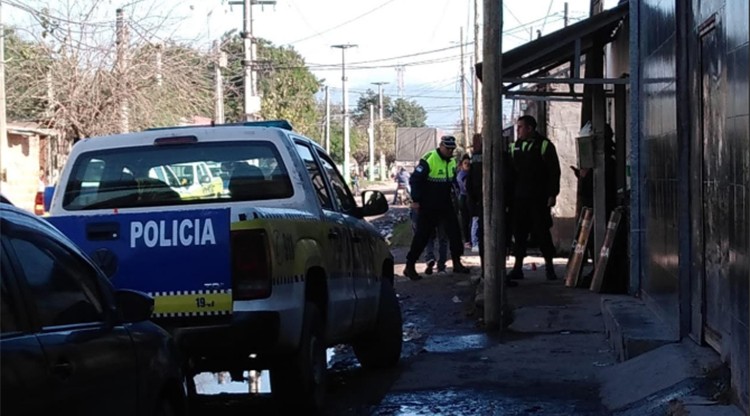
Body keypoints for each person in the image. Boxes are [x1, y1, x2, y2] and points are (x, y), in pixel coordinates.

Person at [403, 135, 470, 280]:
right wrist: (416, 200)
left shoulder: (452, 161)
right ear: (441, 146)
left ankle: (457, 262)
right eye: (447, 148)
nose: (450, 151)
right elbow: (415, 180)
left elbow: (453, 181)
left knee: (455, 234)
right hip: (429, 204)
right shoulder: (429, 159)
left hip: (445, 203)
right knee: (422, 236)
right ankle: (410, 265)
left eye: (452, 149)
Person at [508, 115, 561, 281]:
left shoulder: (544, 145)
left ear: (530, 128)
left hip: (539, 198)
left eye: (520, 127)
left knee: (542, 232)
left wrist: (552, 194)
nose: (518, 130)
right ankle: (517, 268)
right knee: (519, 233)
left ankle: (550, 268)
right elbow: (510, 173)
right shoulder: (514, 147)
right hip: (519, 198)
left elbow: (554, 172)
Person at [465, 133, 518, 287]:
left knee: (489, 239)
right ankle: (496, 274)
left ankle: (488, 272)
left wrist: (473, 203)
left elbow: (470, 183)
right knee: (498, 239)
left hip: (488, 204)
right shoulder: (502, 156)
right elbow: (511, 180)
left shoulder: (478, 157)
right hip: (496, 204)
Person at [456, 154, 473, 250]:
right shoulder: (462, 175)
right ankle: (467, 240)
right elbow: (466, 187)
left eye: (468, 163)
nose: (467, 165)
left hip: (466, 197)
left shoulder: (468, 174)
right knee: (466, 220)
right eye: (465, 163)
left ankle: (470, 239)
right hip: (464, 197)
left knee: (470, 219)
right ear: (461, 165)